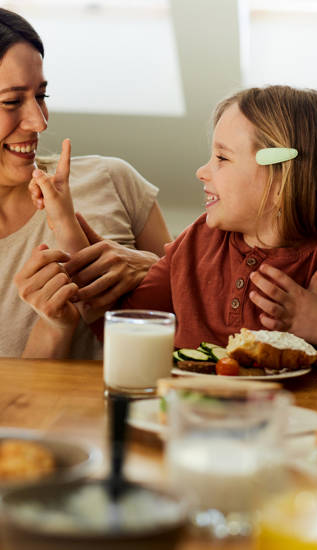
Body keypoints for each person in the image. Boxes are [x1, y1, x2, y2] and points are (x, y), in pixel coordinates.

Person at [16, 85, 317, 355]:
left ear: (281, 179)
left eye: (222, 158)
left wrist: (315, 322)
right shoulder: (194, 243)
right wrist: (64, 219)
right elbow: (122, 324)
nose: (202, 171)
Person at [0, 8, 171, 360]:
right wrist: (53, 328)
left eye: (42, 96)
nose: (39, 122)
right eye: (11, 101)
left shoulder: (111, 179)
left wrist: (151, 268)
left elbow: (196, 318)